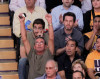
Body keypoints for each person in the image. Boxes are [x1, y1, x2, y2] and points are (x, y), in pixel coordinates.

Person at [19, 14, 54, 79]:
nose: (39, 44)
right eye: (37, 42)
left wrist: (49, 22)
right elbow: (24, 38)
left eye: (41, 42)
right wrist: (21, 22)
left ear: (46, 46)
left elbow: (51, 38)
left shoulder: (48, 53)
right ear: (34, 47)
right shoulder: (31, 54)